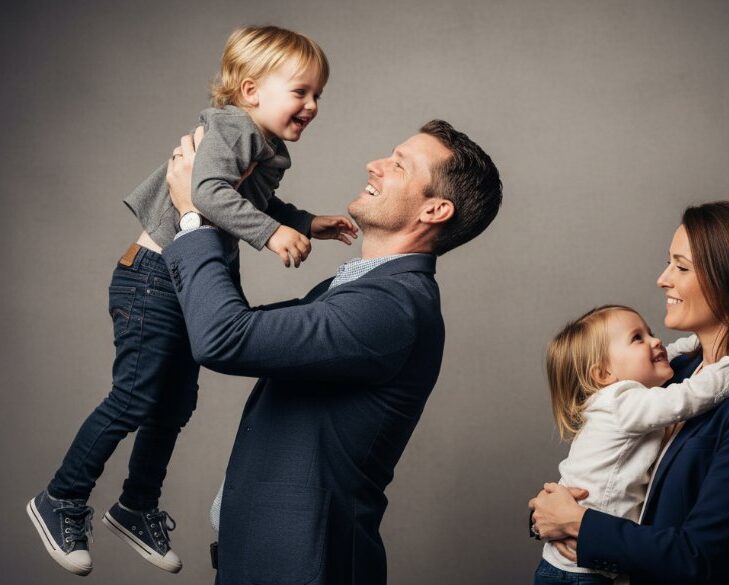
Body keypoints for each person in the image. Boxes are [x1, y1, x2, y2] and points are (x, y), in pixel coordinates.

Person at [26, 25, 355, 576]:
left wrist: (305, 222)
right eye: (301, 91)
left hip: (178, 283)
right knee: (135, 397)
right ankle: (60, 497)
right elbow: (204, 193)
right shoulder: (232, 128)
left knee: (175, 404)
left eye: (318, 94)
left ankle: (136, 505)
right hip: (152, 279)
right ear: (251, 91)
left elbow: (250, 197)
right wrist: (272, 236)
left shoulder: (260, 142)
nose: (312, 105)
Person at [163, 119, 502, 584]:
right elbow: (223, 320)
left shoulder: (390, 307)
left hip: (305, 570)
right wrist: (225, 210)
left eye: (399, 165)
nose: (375, 165)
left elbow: (224, 337)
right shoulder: (353, 289)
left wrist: (193, 215)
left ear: (435, 210)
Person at [529, 201, 729, 585]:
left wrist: (580, 524)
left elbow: (704, 559)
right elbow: (608, 466)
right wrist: (549, 514)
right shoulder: (672, 372)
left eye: (681, 267)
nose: (663, 279)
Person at [533, 305, 729, 585]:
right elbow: (691, 395)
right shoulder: (625, 401)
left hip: (583, 563)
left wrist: (573, 521)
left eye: (650, 333)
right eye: (638, 338)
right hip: (580, 574)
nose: (656, 341)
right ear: (603, 374)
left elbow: (704, 555)